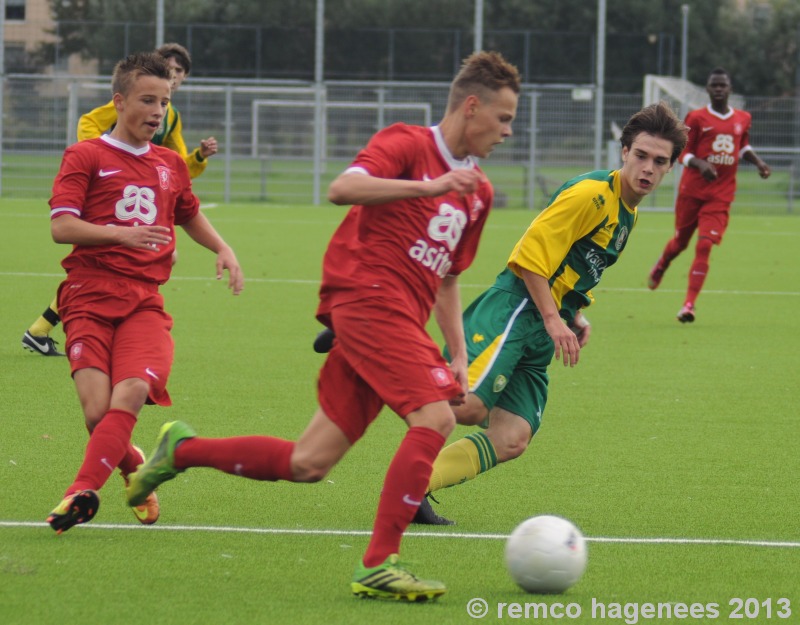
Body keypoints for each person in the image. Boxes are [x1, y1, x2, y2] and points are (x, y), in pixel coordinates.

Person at [125, 50, 521, 602]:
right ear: (472, 106)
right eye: (503, 119)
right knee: (433, 416)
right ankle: (379, 563)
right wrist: (426, 188)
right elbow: (344, 188)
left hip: (397, 319)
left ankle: (181, 451)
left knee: (307, 462)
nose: (508, 132)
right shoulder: (408, 144)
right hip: (364, 300)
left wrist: (457, 352)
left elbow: (449, 279)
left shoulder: (477, 193)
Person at [407, 102, 688, 526]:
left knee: (512, 435)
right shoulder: (592, 194)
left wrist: (574, 314)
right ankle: (383, 368)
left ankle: (415, 488)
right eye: (641, 155)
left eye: (660, 161)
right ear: (624, 152)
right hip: (518, 308)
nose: (648, 167)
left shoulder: (627, 212)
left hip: (545, 320)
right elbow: (530, 256)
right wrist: (554, 318)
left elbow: (572, 265)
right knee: (465, 407)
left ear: (671, 167)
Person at [45, 52, 243, 534]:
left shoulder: (170, 164)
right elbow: (62, 226)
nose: (157, 111)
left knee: (129, 394)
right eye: (147, 100)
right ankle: (135, 467)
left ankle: (81, 490)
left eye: (165, 102)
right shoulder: (86, 155)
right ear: (119, 102)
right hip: (87, 296)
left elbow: (188, 212)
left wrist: (223, 248)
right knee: (98, 414)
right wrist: (119, 234)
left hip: (143, 302)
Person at [22, 43, 217, 357]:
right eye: (169, 67)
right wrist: (101, 161)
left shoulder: (170, 116)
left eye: (179, 72)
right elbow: (90, 123)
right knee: (104, 264)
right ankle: (47, 328)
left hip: (142, 203)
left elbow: (178, 168)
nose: (175, 75)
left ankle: (46, 327)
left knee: (162, 255)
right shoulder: (128, 106)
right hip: (110, 195)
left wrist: (198, 157)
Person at [647, 68, 770, 323]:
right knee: (680, 243)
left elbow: (742, 144)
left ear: (729, 89)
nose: (718, 89)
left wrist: (758, 163)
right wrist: (700, 165)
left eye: (723, 85)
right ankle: (662, 263)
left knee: (704, 245)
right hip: (692, 192)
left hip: (721, 195)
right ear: (708, 89)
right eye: (714, 85)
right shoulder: (697, 117)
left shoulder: (743, 118)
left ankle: (688, 305)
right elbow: (681, 152)